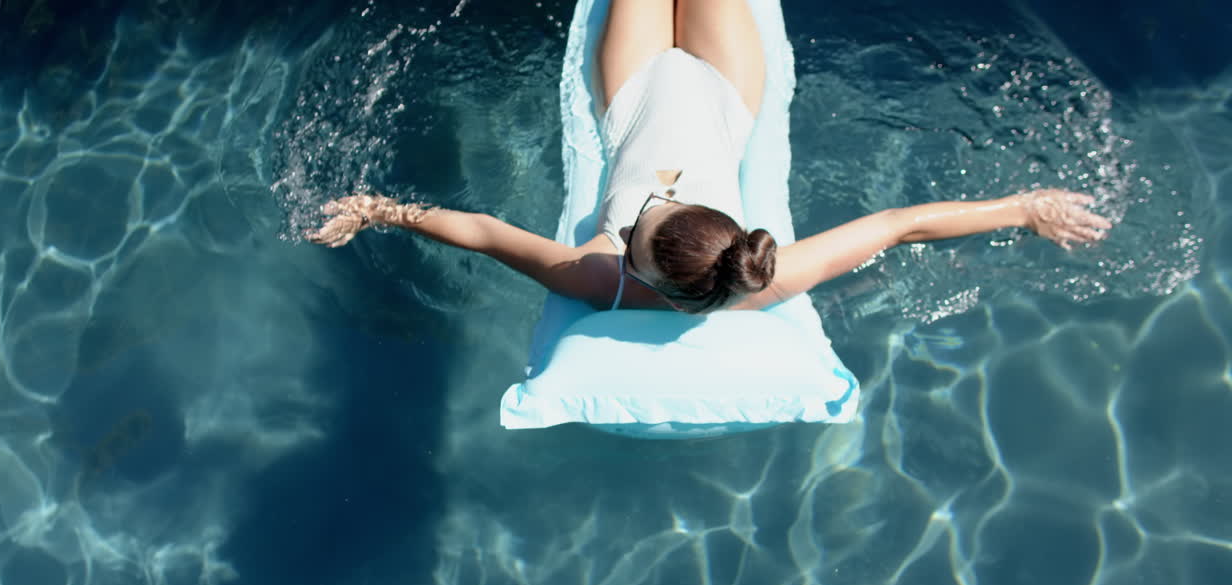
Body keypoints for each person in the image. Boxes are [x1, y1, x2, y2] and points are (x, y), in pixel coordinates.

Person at [307, 0, 1112, 314]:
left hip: (632, 97)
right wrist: (1020, 209)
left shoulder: (604, 279)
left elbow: (483, 232)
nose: (632, 227)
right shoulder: (763, 275)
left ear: (638, 264)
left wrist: (384, 210)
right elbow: (898, 225)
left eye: (634, 233)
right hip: (725, 93)